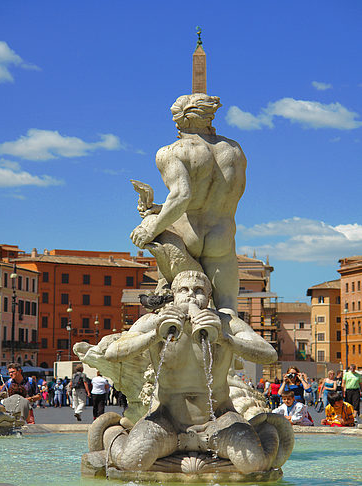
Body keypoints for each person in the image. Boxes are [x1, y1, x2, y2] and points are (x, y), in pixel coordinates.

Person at [102, 270, 290, 473]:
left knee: (255, 464)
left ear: (209, 298)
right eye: (184, 290)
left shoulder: (226, 322)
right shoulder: (153, 321)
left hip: (219, 420)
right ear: (174, 295)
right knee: (132, 462)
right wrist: (155, 335)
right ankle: (114, 434)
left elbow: (269, 354)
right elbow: (113, 353)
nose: (191, 295)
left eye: (198, 290)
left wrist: (225, 338)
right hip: (167, 421)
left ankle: (264, 432)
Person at [130, 93, 247, 313]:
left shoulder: (172, 152)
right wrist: (162, 208)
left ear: (179, 119)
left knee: (173, 307)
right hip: (222, 236)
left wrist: (151, 227)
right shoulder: (234, 151)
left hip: (187, 236)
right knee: (228, 312)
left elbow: (182, 196)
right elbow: (220, 197)